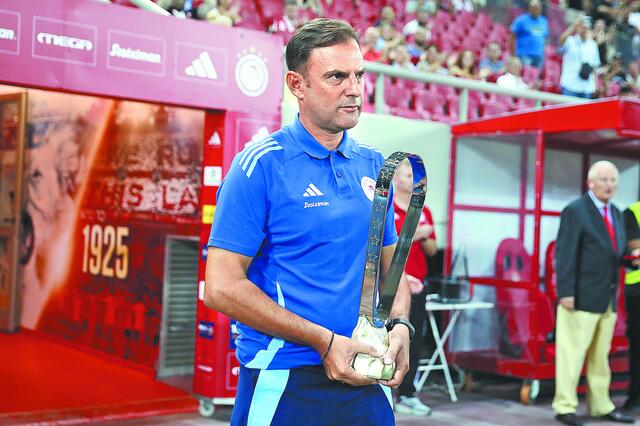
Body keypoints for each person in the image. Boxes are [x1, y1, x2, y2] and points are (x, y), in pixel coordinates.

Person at [203, 18, 412, 426]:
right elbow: (221, 287)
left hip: (365, 377)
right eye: (336, 77)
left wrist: (400, 323)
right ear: (297, 85)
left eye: (358, 75)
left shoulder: (373, 165)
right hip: (285, 378)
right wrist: (323, 341)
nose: (354, 89)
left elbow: (393, 269)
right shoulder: (259, 167)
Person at [553, 161, 636, 426]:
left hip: (606, 299)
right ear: (590, 183)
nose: (609, 185)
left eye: (613, 180)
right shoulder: (575, 211)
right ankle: (565, 407)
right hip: (579, 297)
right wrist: (566, 292)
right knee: (571, 355)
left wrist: (631, 258)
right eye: (604, 179)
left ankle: (601, 405)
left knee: (600, 358)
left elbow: (614, 252)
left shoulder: (617, 213)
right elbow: (564, 254)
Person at [392, 160, 436, 417]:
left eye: (416, 176)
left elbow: (432, 251)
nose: (413, 180)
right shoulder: (387, 208)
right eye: (408, 175)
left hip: (418, 287)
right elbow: (387, 246)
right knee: (388, 336)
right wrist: (416, 233)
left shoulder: (424, 210)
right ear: (396, 178)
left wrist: (426, 236)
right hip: (392, 284)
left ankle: (408, 393)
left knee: (414, 339)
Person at [623, 201, 640, 411]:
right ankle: (635, 396)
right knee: (638, 346)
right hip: (638, 290)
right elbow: (635, 250)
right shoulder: (633, 212)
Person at [558, 17, 601, 98]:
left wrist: (596, 84)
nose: (584, 29)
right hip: (570, 85)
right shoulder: (570, 40)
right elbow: (560, 41)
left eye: (586, 27)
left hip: (587, 88)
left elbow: (595, 66)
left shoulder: (593, 45)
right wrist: (572, 28)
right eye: (581, 26)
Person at [510, 0, 549, 68]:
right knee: (526, 73)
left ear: (540, 9)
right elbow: (512, 36)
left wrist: (543, 53)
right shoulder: (521, 20)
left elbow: (545, 38)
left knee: (537, 74)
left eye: (537, 7)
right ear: (529, 8)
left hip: (539, 56)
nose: (535, 9)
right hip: (524, 55)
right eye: (533, 7)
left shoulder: (544, 21)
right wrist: (513, 54)